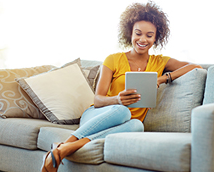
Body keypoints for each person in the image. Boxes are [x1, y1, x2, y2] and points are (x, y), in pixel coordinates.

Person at [41, 1, 202, 172]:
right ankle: (68, 143)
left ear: (156, 38)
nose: (142, 39)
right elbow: (97, 100)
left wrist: (162, 79)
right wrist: (117, 99)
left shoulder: (159, 62)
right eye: (138, 33)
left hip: (126, 124)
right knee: (122, 110)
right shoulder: (113, 59)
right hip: (99, 116)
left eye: (149, 35)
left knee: (138, 125)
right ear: (130, 33)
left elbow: (196, 67)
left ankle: (64, 148)